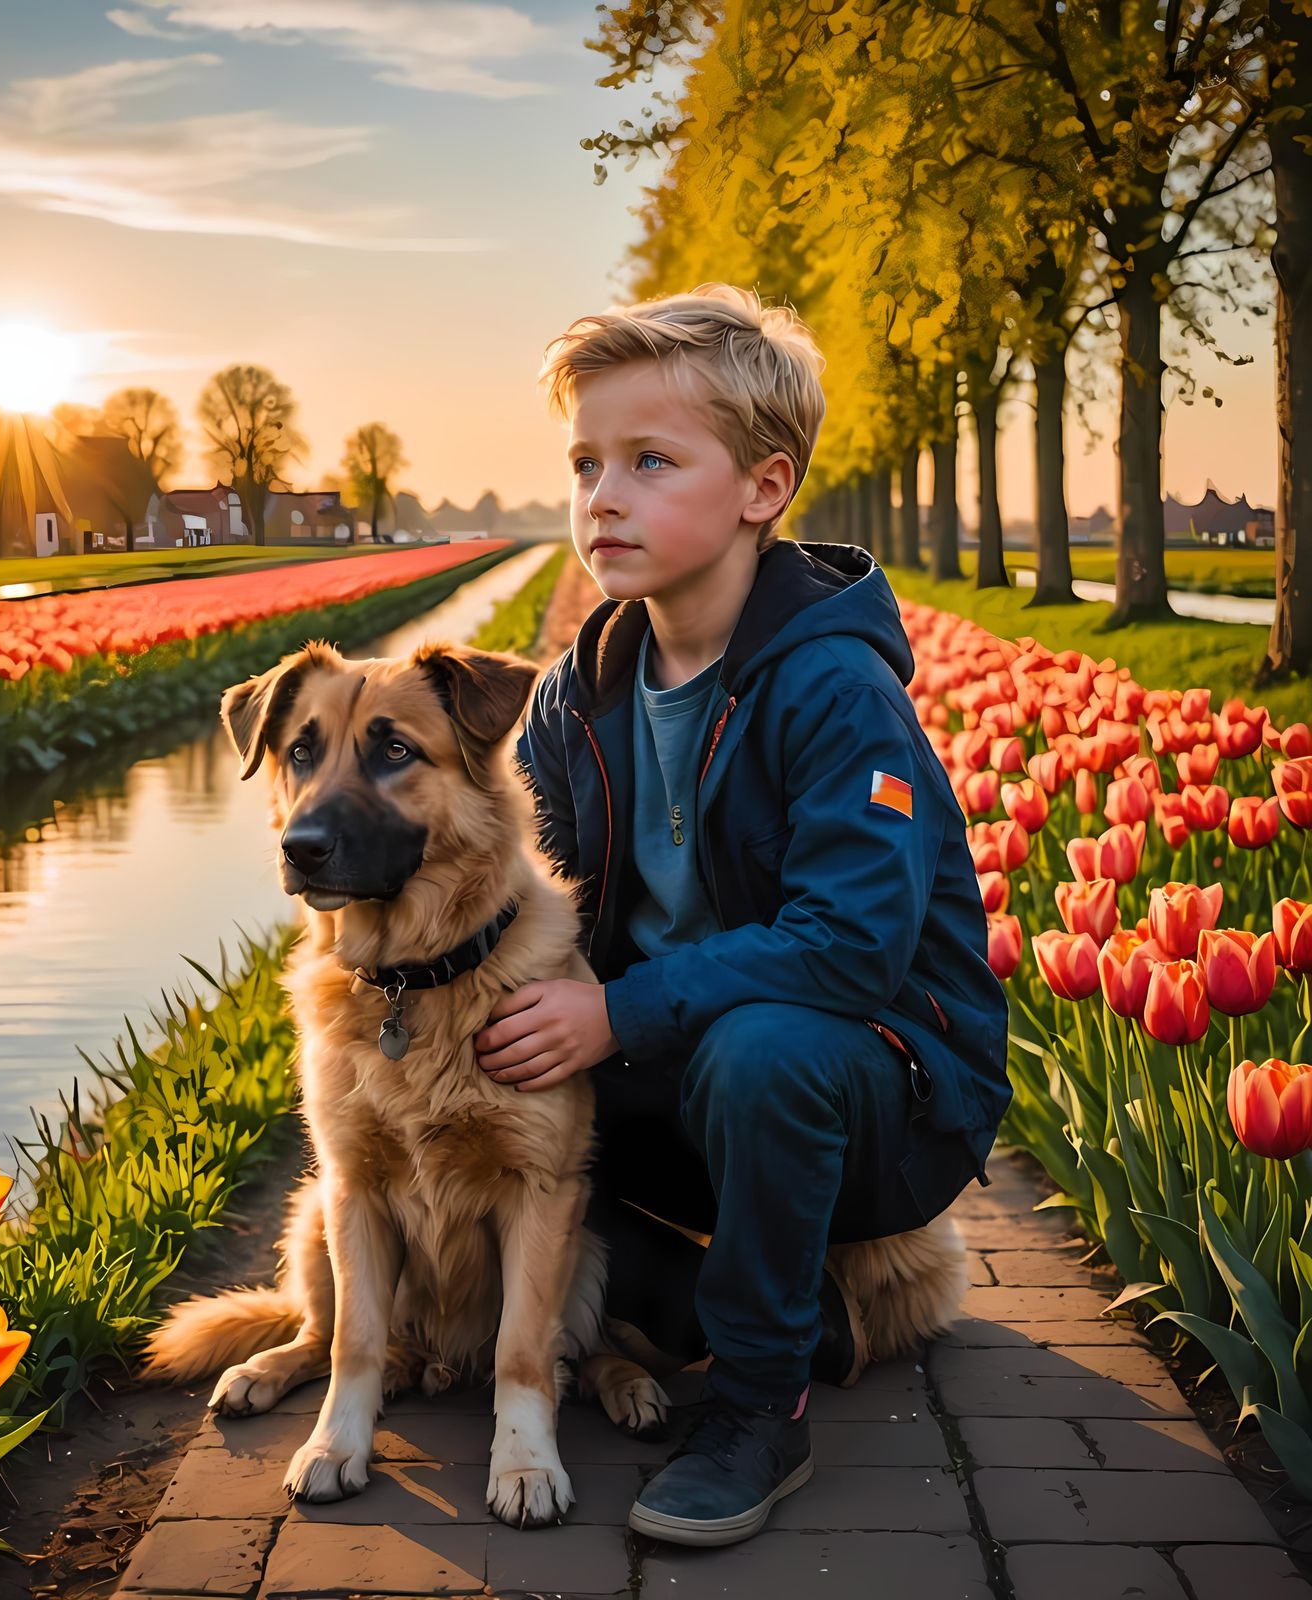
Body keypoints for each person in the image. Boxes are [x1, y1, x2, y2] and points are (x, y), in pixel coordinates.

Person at [471, 282, 1012, 1547]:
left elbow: (850, 947)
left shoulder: (832, 688)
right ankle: (752, 1316)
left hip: (874, 1086)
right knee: (506, 1071)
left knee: (760, 1044)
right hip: (667, 1073)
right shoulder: (576, 693)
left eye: (650, 461)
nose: (602, 495)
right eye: (586, 462)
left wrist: (616, 1010)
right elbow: (527, 905)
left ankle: (761, 1412)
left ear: (763, 488)